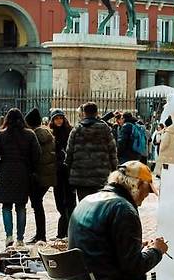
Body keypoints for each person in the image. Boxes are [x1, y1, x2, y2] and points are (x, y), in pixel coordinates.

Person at [0, 108, 41, 248]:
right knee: (21, 206)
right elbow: (37, 154)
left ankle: (9, 236)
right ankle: (20, 239)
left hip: (6, 171)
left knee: (6, 206)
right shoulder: (29, 134)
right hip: (23, 172)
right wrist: (31, 169)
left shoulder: (2, 134)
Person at [65, 102, 118, 202]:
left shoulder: (77, 129)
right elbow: (112, 151)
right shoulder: (104, 128)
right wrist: (114, 169)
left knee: (84, 204)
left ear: (84, 113)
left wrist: (69, 171)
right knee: (99, 205)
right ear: (96, 112)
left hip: (81, 175)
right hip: (101, 175)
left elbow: (69, 152)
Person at [25, 108, 56, 243]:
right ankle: (40, 234)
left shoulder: (35, 136)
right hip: (48, 175)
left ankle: (40, 235)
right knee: (38, 204)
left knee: (37, 205)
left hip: (38, 175)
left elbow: (33, 156)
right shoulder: (47, 133)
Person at [49, 109, 76, 240]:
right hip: (57, 172)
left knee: (70, 202)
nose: (59, 120)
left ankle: (68, 232)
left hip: (69, 171)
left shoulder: (70, 131)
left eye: (60, 118)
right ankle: (62, 231)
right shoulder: (50, 133)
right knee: (59, 202)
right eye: (56, 118)